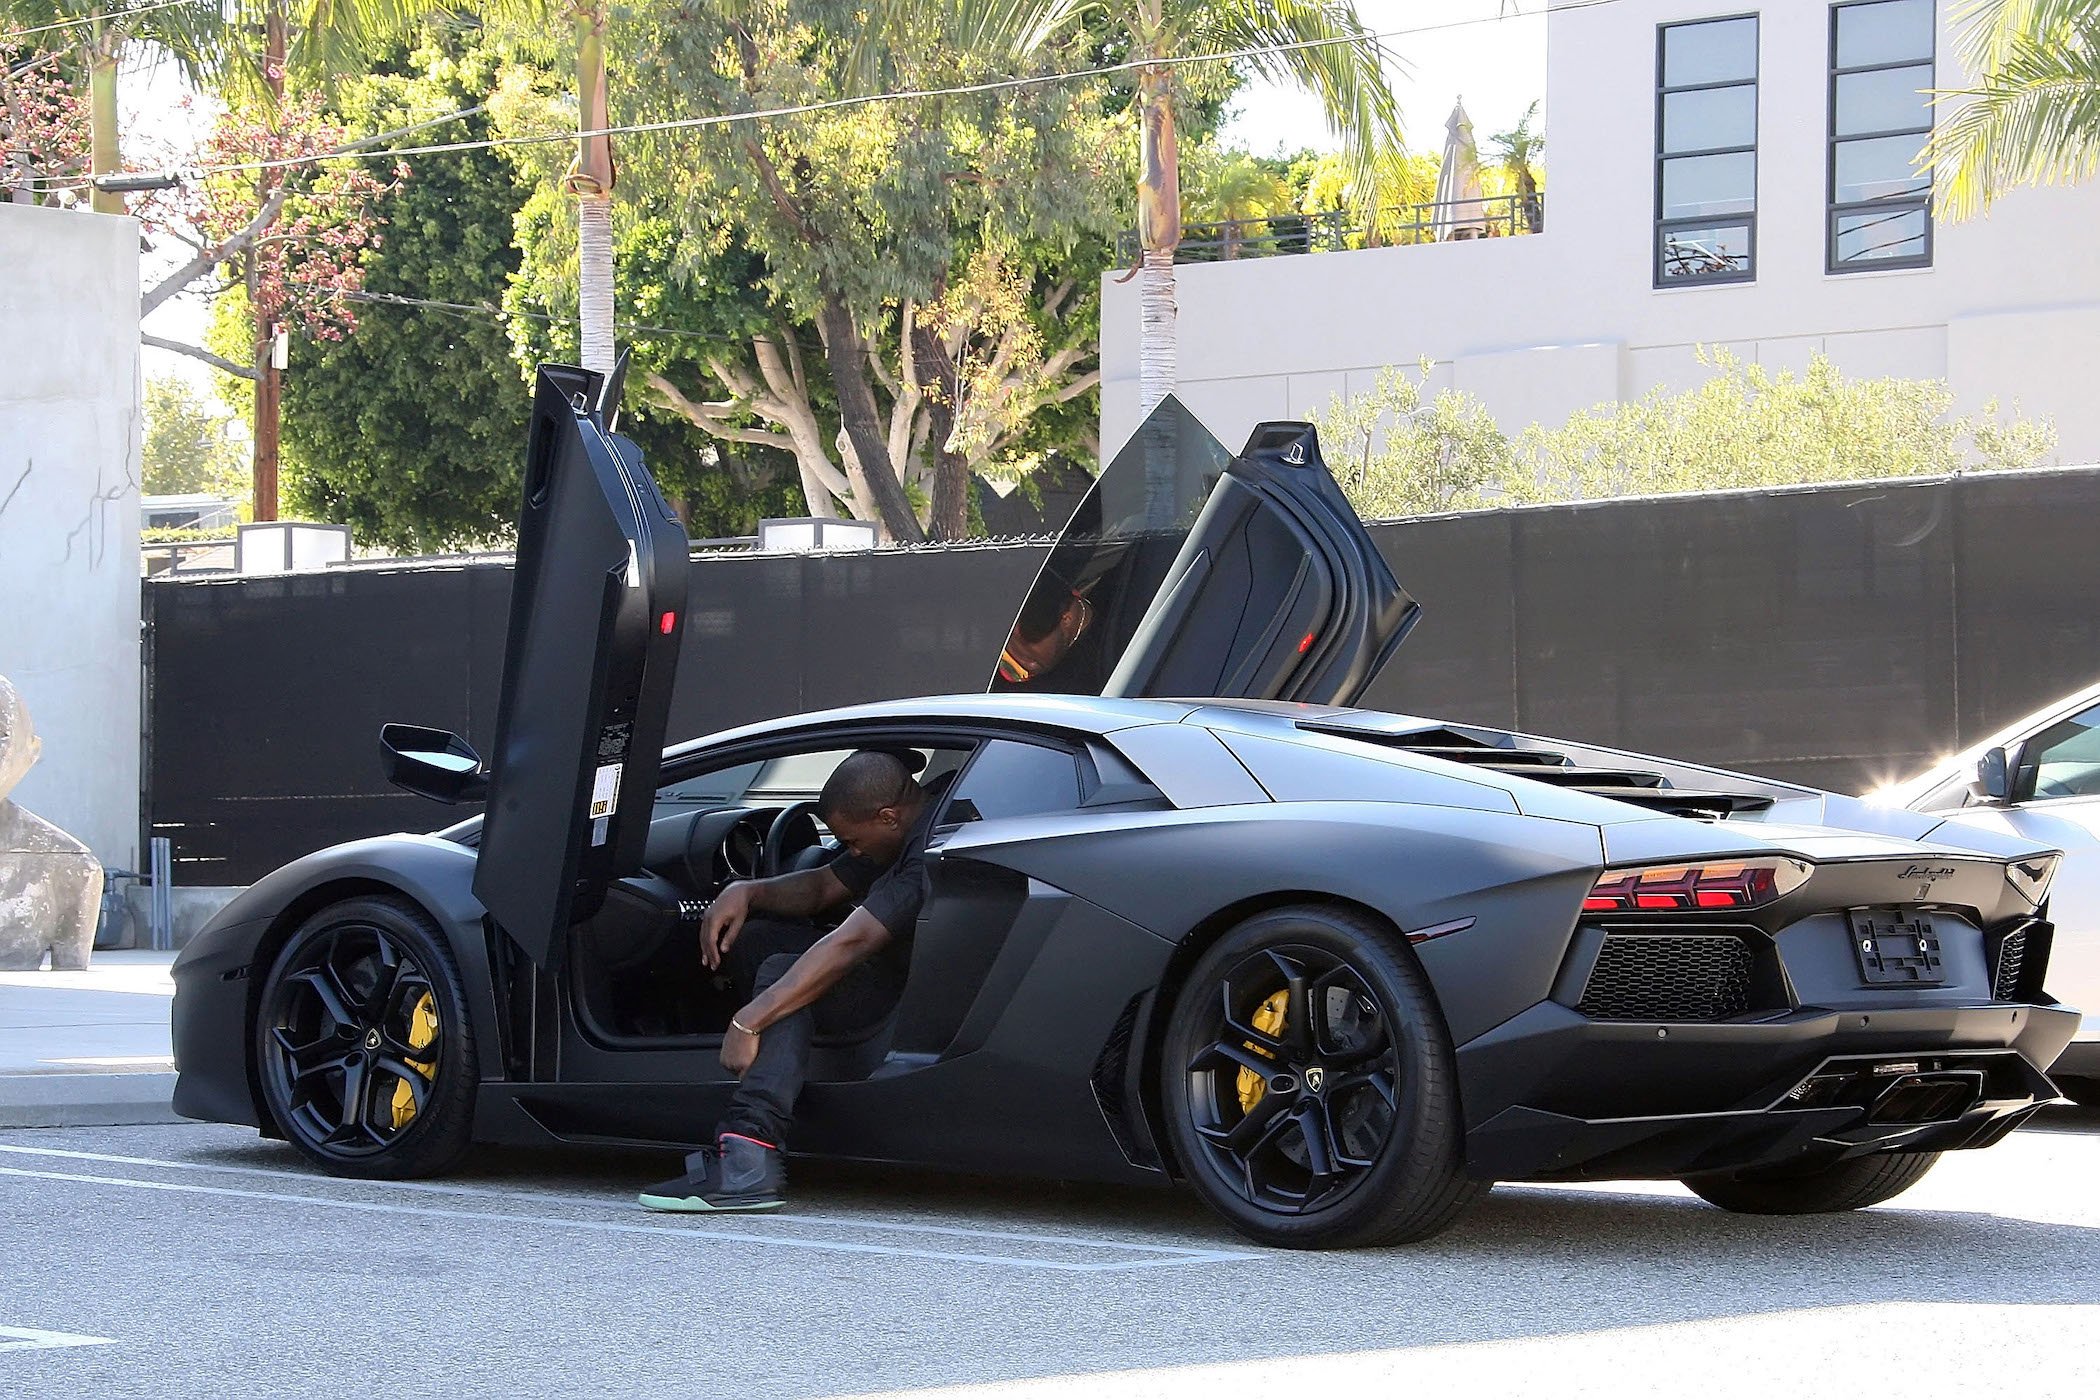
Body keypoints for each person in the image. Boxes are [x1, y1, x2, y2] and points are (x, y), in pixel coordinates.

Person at [638, 749, 943, 1212]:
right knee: (758, 939)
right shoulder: (904, 826)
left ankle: (747, 1155)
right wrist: (748, 890)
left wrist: (749, 1022)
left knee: (783, 972)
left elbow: (852, 943)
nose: (851, 850)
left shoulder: (922, 853)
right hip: (901, 978)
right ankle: (776, 1074)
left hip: (903, 997)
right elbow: (825, 886)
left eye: (853, 840)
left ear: (887, 816)